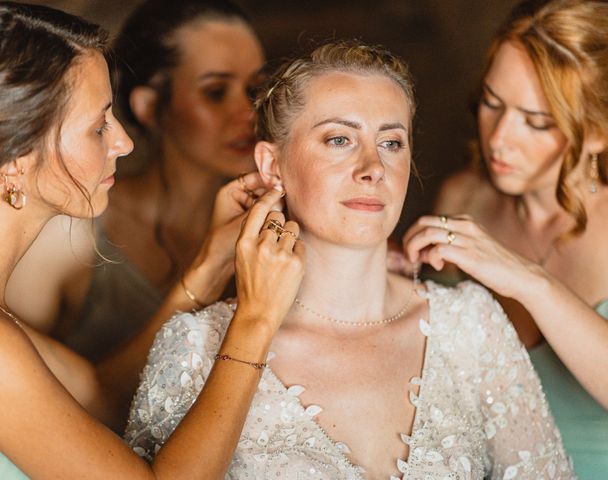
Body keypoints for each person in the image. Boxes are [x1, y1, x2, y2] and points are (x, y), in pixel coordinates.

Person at [125, 40, 573, 479]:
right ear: (271, 164)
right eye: (339, 139)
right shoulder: (194, 347)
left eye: (392, 143)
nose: (373, 166)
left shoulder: (471, 324)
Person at [0, 2, 304, 478]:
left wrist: (206, 271)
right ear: (14, 160)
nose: (124, 142)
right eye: (99, 125)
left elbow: (100, 395)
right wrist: (256, 319)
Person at [404, 1, 608, 477]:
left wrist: (527, 279)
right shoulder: (463, 197)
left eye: (536, 121)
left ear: (597, 133)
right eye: (492, 103)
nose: (499, 139)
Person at [5, 0, 265, 360]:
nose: (249, 113)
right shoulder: (70, 230)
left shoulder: (274, 229)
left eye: (255, 90)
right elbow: (19, 393)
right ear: (149, 107)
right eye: (215, 92)